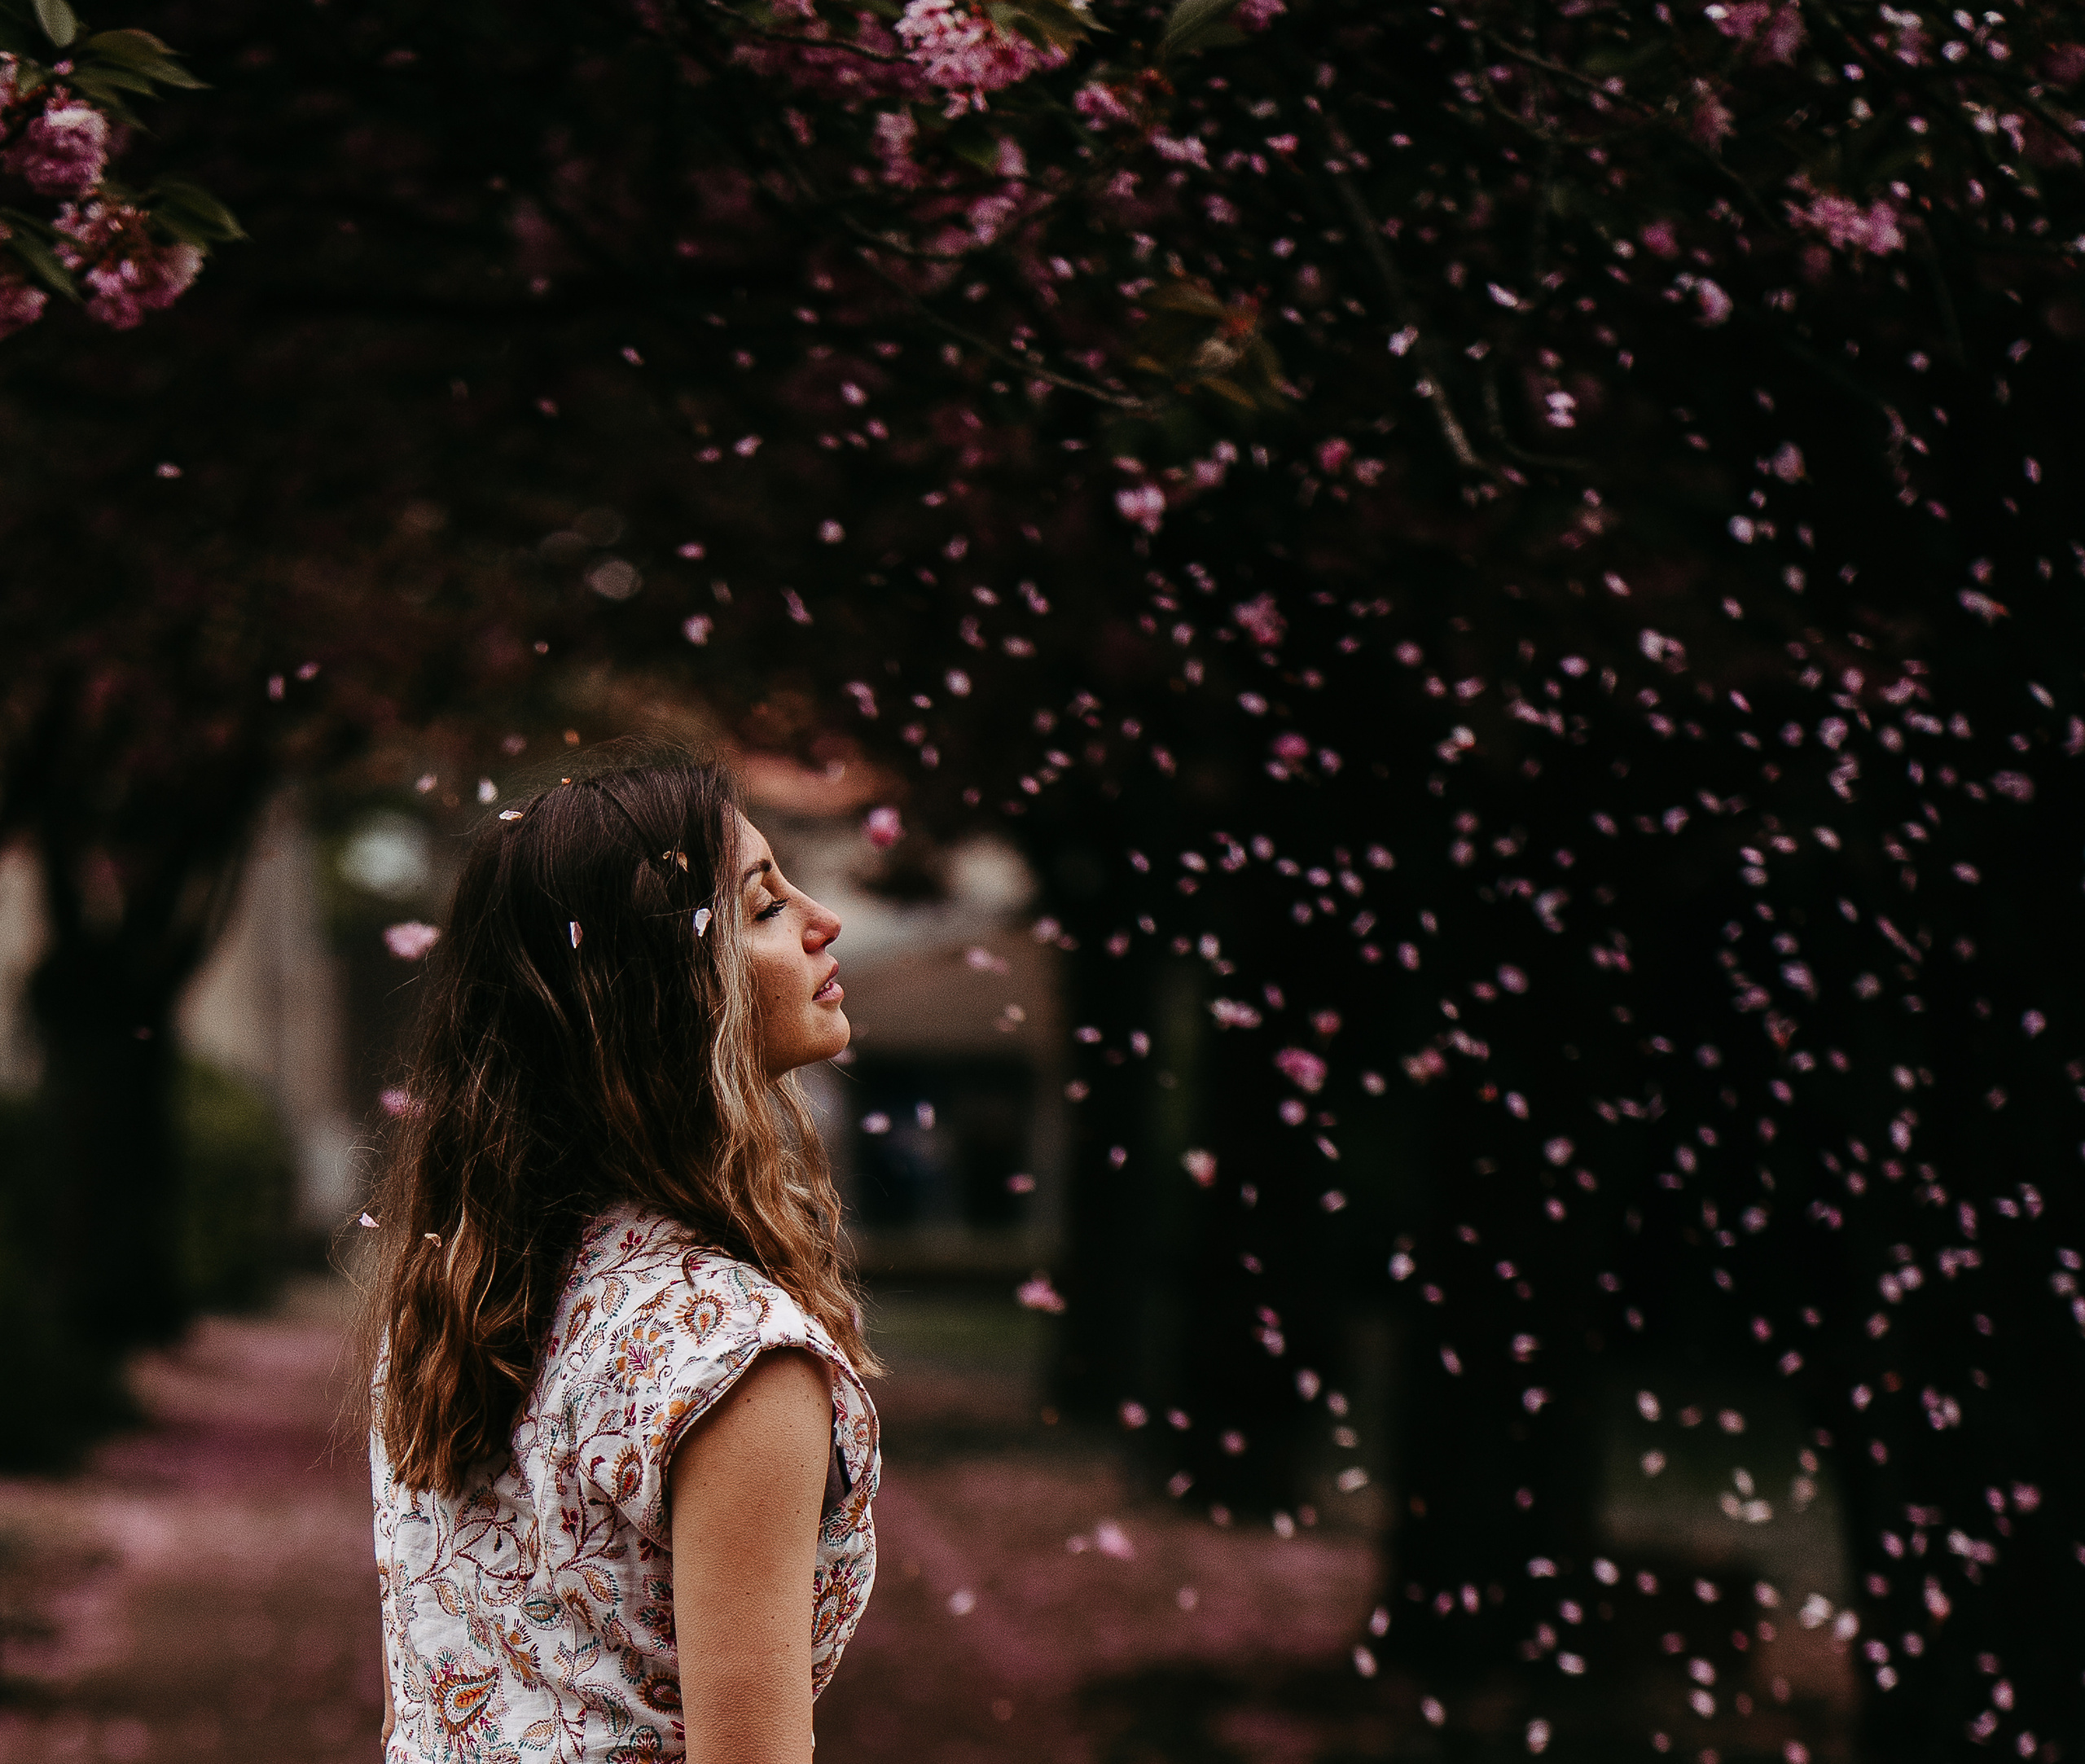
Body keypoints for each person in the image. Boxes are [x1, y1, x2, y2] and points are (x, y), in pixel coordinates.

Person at [358, 759, 878, 1764]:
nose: (824, 922)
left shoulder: (457, 1297)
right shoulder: (734, 1361)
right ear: (662, 989)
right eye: (764, 907)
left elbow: (420, 1708)